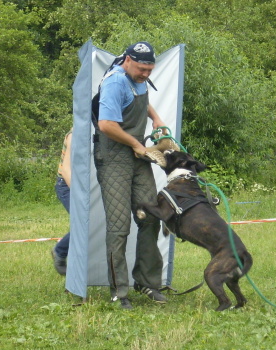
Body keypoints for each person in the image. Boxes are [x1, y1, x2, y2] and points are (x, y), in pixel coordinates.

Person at [93, 41, 167, 309]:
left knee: (150, 218)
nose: (146, 74)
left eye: (150, 69)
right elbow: (106, 125)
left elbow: (140, 98)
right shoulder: (114, 82)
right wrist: (137, 145)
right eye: (141, 68)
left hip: (137, 156)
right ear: (127, 60)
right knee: (119, 226)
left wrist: (156, 118)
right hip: (113, 157)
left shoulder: (139, 78)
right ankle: (119, 292)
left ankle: (147, 283)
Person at [51, 129, 73, 275]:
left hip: (78, 185)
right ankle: (59, 251)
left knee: (87, 223)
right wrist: (80, 195)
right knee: (84, 224)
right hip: (67, 185)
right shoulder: (75, 134)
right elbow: (66, 171)